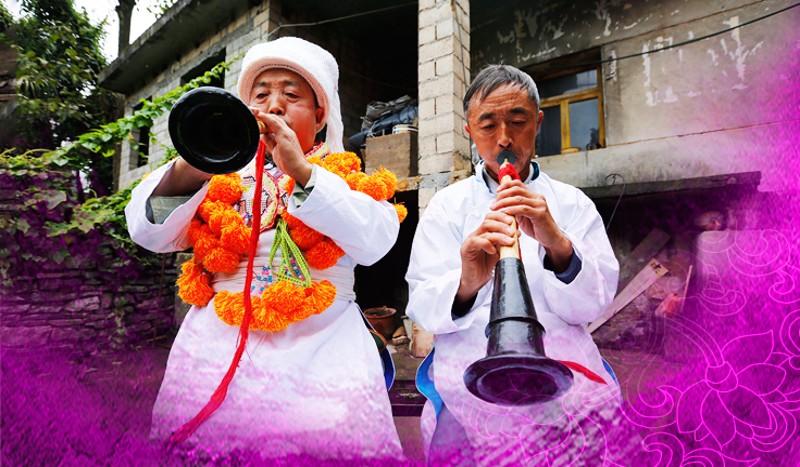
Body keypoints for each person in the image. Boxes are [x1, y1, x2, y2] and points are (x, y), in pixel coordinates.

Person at [125, 37, 404, 462]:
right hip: (216, 345)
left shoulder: (345, 179)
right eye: (260, 96)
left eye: (291, 96)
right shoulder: (214, 177)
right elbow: (149, 233)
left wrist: (303, 172)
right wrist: (194, 162)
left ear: (320, 115)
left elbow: (376, 243)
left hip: (325, 349)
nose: (274, 106)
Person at [405, 64, 621, 465]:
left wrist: (558, 244)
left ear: (538, 123)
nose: (504, 138)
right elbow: (423, 304)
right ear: (469, 132)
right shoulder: (446, 207)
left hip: (564, 369)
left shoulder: (572, 203)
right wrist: (468, 282)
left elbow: (593, 304)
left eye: (518, 122)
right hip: (471, 373)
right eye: (488, 126)